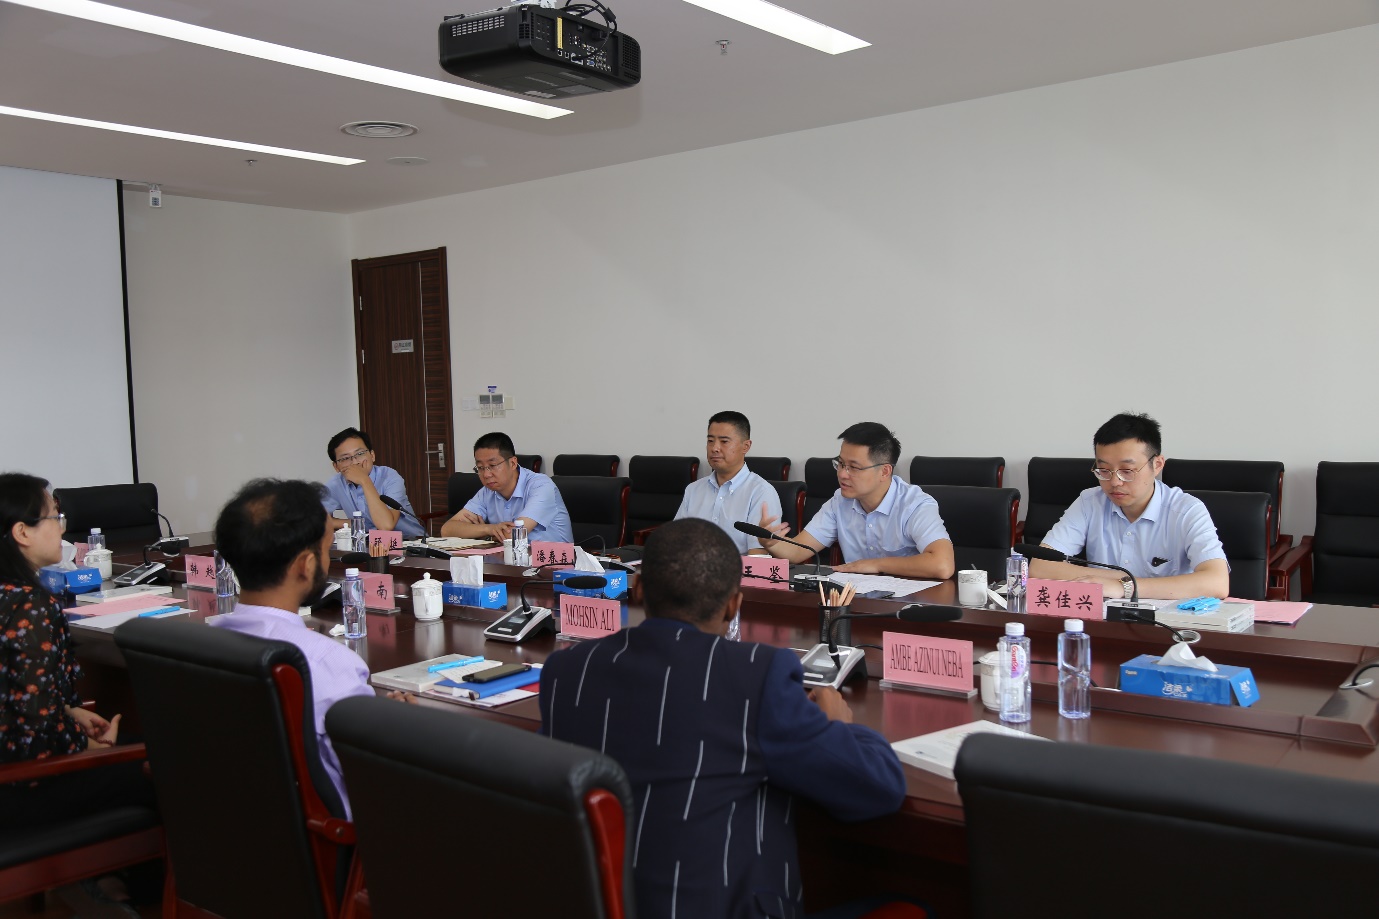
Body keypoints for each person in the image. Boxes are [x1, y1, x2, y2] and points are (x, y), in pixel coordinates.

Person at [539, 518, 906, 919]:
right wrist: (839, 725)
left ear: (638, 589)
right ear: (734, 605)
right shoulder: (755, 676)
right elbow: (880, 787)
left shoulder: (566, 671)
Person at [212, 478, 407, 816]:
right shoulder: (324, 662)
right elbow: (373, 775)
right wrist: (401, 727)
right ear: (305, 565)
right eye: (327, 549)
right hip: (340, 835)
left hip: (237, 821)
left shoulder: (209, 640)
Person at [0, 472, 154, 830]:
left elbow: (17, 697)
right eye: (55, 517)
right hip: (26, 787)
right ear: (22, 532)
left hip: (12, 775)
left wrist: (69, 712)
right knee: (170, 765)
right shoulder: (30, 607)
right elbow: (35, 736)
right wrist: (91, 748)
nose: (63, 528)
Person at [1031, 413, 1229, 600]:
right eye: (1104, 470)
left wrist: (1124, 586)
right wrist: (1120, 578)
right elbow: (1040, 567)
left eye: (1127, 471)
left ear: (1157, 465)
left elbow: (1217, 583)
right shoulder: (1089, 502)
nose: (1114, 482)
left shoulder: (1186, 511)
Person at [759, 422, 955, 580]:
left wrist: (876, 565)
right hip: (857, 602)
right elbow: (797, 552)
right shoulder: (839, 502)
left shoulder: (915, 505)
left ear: (884, 471)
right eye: (840, 464)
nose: (842, 474)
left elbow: (942, 565)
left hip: (908, 606)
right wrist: (771, 542)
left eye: (853, 467)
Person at [674, 411, 782, 555]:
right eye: (710, 441)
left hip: (737, 569)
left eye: (724, 441)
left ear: (746, 446)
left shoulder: (761, 492)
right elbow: (676, 540)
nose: (714, 448)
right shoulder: (693, 489)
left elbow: (757, 557)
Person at [441, 432, 572, 543]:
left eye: (492, 466)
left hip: (553, 562)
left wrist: (480, 535)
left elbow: (514, 536)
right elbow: (447, 530)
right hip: (508, 561)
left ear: (513, 463)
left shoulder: (541, 486)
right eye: (480, 468)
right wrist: (488, 529)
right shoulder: (487, 492)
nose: (486, 474)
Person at [320, 427, 424, 538]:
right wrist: (352, 523)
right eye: (345, 458)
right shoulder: (336, 484)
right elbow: (314, 518)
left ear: (372, 455)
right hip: (367, 544)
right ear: (336, 466)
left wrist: (364, 480)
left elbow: (386, 526)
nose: (355, 462)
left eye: (360, 453)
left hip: (410, 542)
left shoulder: (390, 477)